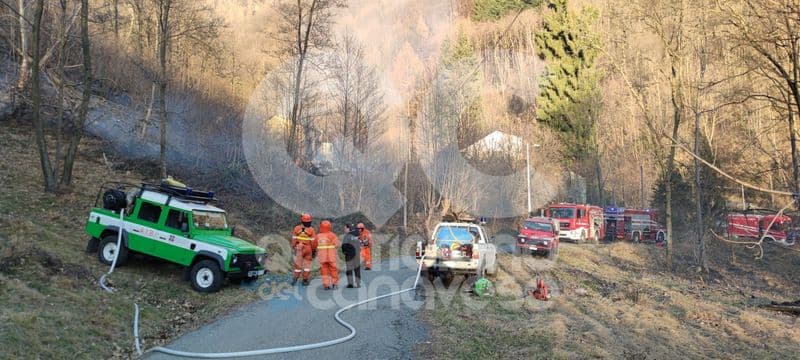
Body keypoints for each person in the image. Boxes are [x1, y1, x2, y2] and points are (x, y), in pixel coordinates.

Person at [291, 213, 316, 286]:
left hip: (299, 247)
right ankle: (305, 280)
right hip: (308, 248)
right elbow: (314, 242)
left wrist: (294, 247)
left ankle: (295, 279)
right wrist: (313, 250)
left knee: (298, 265)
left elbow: (294, 240)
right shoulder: (311, 230)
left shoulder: (296, 228)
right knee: (307, 265)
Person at [314, 220, 340, 290]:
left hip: (322, 258)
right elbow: (337, 245)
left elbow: (314, 245)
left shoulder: (318, 236)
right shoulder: (332, 235)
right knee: (334, 270)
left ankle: (326, 285)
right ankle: (335, 284)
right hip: (331, 257)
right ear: (329, 227)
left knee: (324, 271)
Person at [341, 224, 362, 288]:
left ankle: (350, 283)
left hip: (349, 255)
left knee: (349, 269)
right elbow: (360, 242)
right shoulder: (357, 234)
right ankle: (358, 283)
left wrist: (344, 252)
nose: (344, 230)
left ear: (348, 228)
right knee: (357, 269)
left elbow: (344, 245)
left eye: (345, 229)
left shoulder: (347, 236)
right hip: (357, 254)